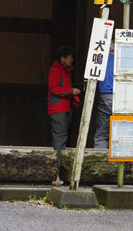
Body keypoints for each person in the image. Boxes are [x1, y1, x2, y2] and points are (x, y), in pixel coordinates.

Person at [47, 46, 80, 185]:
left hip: (61, 108)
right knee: (60, 138)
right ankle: (56, 172)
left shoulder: (64, 70)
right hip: (58, 108)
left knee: (60, 137)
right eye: (70, 57)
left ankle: (57, 171)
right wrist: (71, 91)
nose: (72, 60)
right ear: (63, 58)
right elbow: (54, 89)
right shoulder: (56, 70)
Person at [94, 42, 114, 149]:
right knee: (119, 131)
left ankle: (99, 157)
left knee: (101, 134)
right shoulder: (121, 59)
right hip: (122, 97)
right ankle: (118, 158)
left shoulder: (99, 59)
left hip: (106, 96)